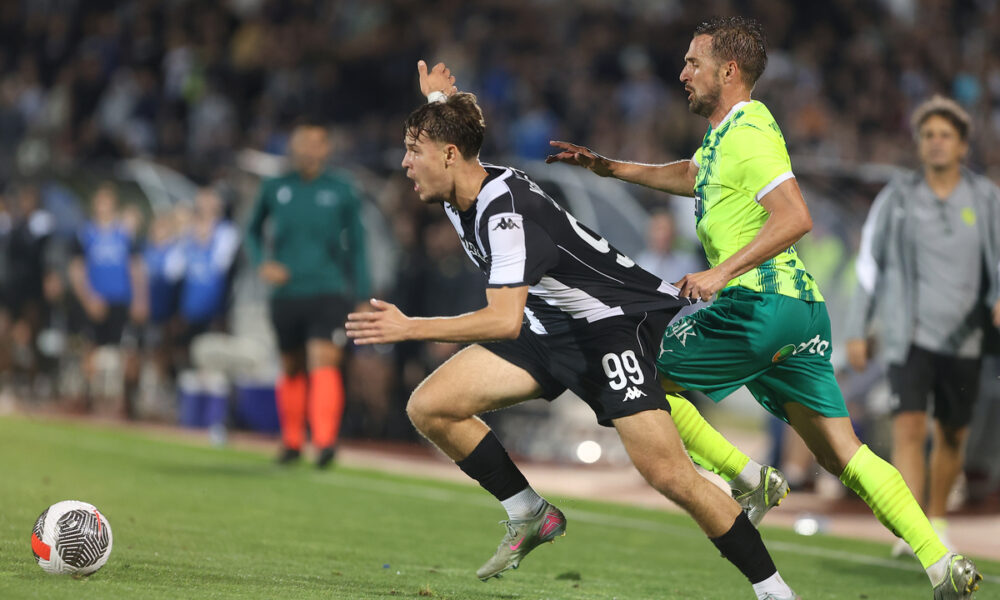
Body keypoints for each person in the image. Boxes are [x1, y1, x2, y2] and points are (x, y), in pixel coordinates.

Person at [545, 16, 981, 600]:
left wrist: (719, 272)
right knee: (842, 454)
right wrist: (609, 166)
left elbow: (795, 216)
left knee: (625, 373)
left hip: (758, 305)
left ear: (728, 71)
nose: (682, 74)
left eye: (693, 63)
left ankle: (750, 478)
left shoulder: (748, 133)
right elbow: (692, 175)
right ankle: (940, 562)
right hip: (798, 312)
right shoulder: (728, 135)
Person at [347, 60, 801, 600]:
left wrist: (409, 326)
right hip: (551, 326)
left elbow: (502, 319)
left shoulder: (503, 214)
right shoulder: (458, 183)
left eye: (412, 152)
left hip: (610, 327)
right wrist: (443, 101)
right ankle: (528, 512)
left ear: (447, 156)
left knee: (671, 476)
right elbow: (461, 142)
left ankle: (776, 591)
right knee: (431, 406)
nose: (404, 164)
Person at [844, 95, 1000, 558]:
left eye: (945, 136)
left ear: (962, 146)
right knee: (909, 426)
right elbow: (869, 262)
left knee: (952, 433)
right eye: (928, 135)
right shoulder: (897, 198)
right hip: (906, 333)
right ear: (919, 144)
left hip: (965, 336)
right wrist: (858, 326)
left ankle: (938, 518)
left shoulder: (986, 198)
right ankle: (916, 529)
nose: (935, 143)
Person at [245, 119, 370, 468]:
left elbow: (359, 245)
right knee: (291, 365)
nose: (308, 149)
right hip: (286, 293)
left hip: (328, 290)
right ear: (292, 146)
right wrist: (261, 263)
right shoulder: (275, 187)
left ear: (326, 148)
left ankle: (326, 442)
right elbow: (252, 231)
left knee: (323, 359)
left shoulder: (342, 189)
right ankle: (292, 442)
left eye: (316, 143)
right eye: (302, 142)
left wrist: (363, 293)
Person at [68, 182, 148, 418]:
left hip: (120, 301)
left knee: (127, 352)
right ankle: (89, 399)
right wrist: (89, 298)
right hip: (96, 301)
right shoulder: (86, 233)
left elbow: (136, 267)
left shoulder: (124, 234)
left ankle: (126, 404)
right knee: (90, 350)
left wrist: (140, 299)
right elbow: (76, 269)